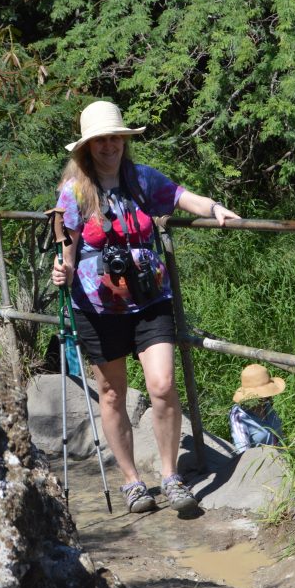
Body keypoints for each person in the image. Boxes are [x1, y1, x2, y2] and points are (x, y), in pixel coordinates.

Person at [50, 100, 240, 514]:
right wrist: (61, 270)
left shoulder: (141, 180)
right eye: (100, 140)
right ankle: (133, 482)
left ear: (124, 140)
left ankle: (171, 477)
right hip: (97, 308)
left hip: (150, 300)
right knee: (112, 394)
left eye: (114, 137)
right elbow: (66, 247)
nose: (109, 146)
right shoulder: (75, 192)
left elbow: (181, 197)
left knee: (162, 384)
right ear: (87, 146)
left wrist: (214, 209)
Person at [229, 363, 285, 454]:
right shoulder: (239, 416)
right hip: (258, 464)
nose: (268, 396)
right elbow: (243, 452)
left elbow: (279, 438)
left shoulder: (267, 405)